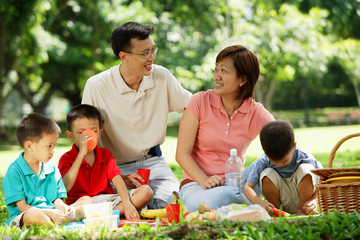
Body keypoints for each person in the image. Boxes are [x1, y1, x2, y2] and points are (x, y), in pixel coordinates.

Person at [81, 21, 192, 209]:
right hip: (114, 168)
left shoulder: (161, 77)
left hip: (153, 163)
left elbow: (193, 108)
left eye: (153, 50)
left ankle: (136, 205)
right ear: (123, 56)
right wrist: (112, 174)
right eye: (144, 53)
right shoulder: (97, 85)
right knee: (123, 202)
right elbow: (85, 138)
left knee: (173, 202)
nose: (152, 57)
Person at [176, 45, 275, 212]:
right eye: (216, 70)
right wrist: (204, 179)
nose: (217, 76)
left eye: (223, 71)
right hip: (198, 186)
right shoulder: (199, 101)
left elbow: (282, 140)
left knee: (270, 163)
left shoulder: (254, 111)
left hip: (240, 183)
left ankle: (241, 201)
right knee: (215, 200)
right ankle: (246, 202)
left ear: (242, 80)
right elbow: (181, 155)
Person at [58, 104, 153, 219]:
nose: (88, 137)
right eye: (81, 133)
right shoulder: (66, 158)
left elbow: (117, 179)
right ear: (70, 135)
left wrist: (127, 204)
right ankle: (108, 214)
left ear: (100, 133)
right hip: (83, 202)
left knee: (146, 191)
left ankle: (103, 214)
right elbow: (65, 187)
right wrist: (81, 155)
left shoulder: (105, 155)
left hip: (107, 200)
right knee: (87, 202)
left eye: (93, 131)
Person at [2, 113, 91, 227]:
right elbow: (22, 207)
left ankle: (63, 219)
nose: (53, 150)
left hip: (52, 212)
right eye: (49, 146)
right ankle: (59, 222)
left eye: (54, 145)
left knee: (87, 201)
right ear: (29, 146)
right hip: (26, 215)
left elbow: (56, 199)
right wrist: (48, 212)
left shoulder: (51, 168)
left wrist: (64, 209)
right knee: (34, 215)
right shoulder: (14, 171)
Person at [243, 120, 323, 215]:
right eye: (274, 161)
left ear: (293, 146)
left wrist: (315, 200)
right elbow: (247, 188)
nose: (280, 164)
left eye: (284, 161)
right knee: (266, 173)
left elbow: (324, 182)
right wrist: (261, 203)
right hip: (280, 201)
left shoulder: (305, 157)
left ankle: (302, 209)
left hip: (303, 200)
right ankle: (278, 211)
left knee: (306, 169)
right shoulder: (263, 161)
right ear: (265, 152)